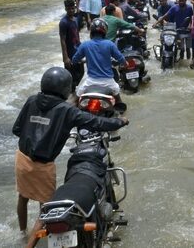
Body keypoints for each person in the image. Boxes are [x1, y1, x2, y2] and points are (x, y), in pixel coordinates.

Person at [13, 67, 128, 248]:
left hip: (22, 159)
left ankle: (22, 233)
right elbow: (96, 122)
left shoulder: (32, 100)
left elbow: (17, 129)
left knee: (23, 197)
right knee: (47, 211)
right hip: (43, 165)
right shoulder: (65, 109)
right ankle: (29, 245)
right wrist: (119, 121)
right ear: (65, 89)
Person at [72, 19, 126, 105]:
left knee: (75, 101)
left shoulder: (85, 44)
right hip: (108, 82)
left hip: (90, 82)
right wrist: (125, 64)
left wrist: (81, 61)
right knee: (119, 102)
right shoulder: (110, 44)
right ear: (104, 32)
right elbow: (121, 59)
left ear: (91, 32)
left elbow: (74, 60)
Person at [59, 0, 84, 97]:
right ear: (65, 9)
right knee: (71, 78)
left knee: (81, 73)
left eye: (72, 8)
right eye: (69, 9)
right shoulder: (63, 22)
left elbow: (77, 35)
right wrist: (65, 57)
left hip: (77, 50)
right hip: (70, 53)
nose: (71, 10)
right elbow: (62, 40)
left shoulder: (76, 19)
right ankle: (71, 96)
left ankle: (75, 93)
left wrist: (82, 49)